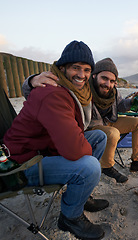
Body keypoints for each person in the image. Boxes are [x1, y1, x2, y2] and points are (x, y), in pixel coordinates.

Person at [4, 40, 108, 240]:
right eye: (75, 68)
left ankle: (81, 196)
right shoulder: (53, 94)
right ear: (62, 68)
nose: (81, 75)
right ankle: (70, 217)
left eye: (86, 69)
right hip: (22, 164)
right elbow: (74, 150)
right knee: (90, 167)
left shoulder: (70, 90)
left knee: (99, 136)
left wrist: (78, 142)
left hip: (41, 149)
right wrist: (79, 146)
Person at [22, 58, 138, 184]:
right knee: (112, 133)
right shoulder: (83, 88)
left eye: (111, 81)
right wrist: (31, 80)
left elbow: (120, 105)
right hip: (92, 127)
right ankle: (107, 166)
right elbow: (34, 91)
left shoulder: (113, 91)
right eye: (104, 78)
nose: (107, 84)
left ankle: (137, 162)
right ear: (94, 75)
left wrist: (131, 102)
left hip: (109, 121)